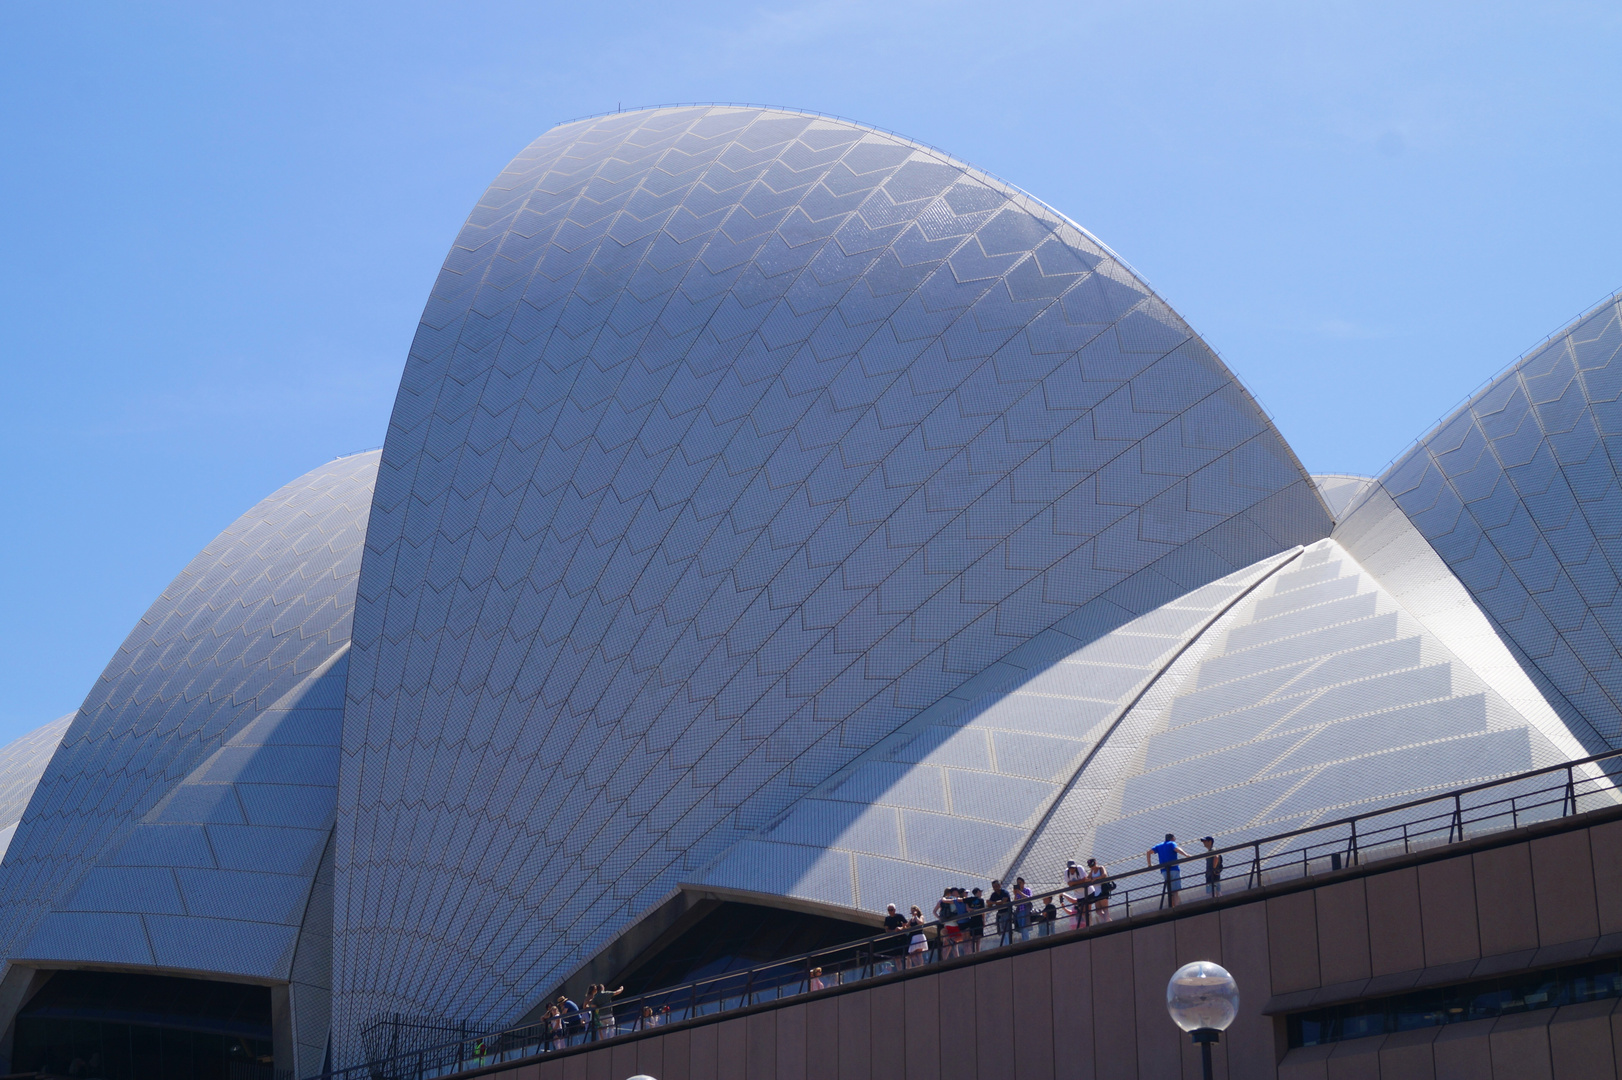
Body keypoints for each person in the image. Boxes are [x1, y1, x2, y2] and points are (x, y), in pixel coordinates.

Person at [1147, 833, 1193, 907]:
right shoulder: (1172, 843)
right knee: (1175, 891)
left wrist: (1149, 864)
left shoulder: (1159, 846)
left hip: (1164, 871)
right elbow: (1177, 849)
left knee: (1170, 890)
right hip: (1174, 869)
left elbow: (1148, 852)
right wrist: (1186, 855)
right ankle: (1176, 906)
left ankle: (1172, 905)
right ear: (1172, 838)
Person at [934, 887, 964, 958]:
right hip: (955, 923)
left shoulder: (941, 900)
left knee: (946, 943)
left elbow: (934, 911)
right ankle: (957, 958)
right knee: (956, 941)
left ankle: (944, 959)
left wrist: (940, 918)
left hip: (946, 924)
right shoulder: (954, 899)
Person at [882, 903, 908, 972]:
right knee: (897, 957)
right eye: (889, 910)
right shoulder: (887, 919)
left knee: (906, 955)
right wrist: (894, 931)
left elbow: (906, 925)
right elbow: (887, 930)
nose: (890, 911)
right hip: (894, 940)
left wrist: (901, 928)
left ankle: (908, 969)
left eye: (891, 910)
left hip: (903, 938)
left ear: (894, 910)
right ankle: (900, 971)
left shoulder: (900, 916)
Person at [1084, 858, 1110, 924]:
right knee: (1098, 911)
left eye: (1092, 865)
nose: (1092, 867)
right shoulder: (1092, 871)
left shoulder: (1100, 868)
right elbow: (1087, 879)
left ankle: (1107, 922)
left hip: (1102, 891)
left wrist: (1095, 879)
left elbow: (1104, 875)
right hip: (1096, 893)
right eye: (1090, 866)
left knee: (1105, 908)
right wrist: (1090, 879)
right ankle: (1107, 920)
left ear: (1095, 863)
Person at [989, 879, 1013, 946]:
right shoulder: (994, 894)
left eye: (997, 886)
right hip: (1000, 913)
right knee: (1002, 929)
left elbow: (1003, 901)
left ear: (1000, 885)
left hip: (1007, 912)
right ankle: (1006, 944)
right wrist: (990, 903)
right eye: (994, 887)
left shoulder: (1004, 892)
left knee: (1007, 929)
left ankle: (1008, 943)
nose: (995, 888)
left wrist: (992, 902)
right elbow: (989, 905)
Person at [966, 887, 987, 952]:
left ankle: (976, 951)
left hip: (974, 919)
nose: (981, 893)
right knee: (976, 937)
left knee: (976, 937)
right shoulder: (980, 900)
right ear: (977, 892)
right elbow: (982, 911)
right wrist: (984, 921)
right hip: (977, 920)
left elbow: (968, 909)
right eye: (980, 892)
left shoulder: (972, 900)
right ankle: (976, 951)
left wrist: (973, 910)